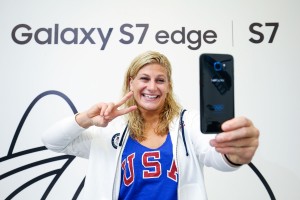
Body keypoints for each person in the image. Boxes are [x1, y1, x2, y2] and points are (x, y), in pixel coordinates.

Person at [42, 50, 259, 200]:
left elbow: (214, 155)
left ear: (168, 86)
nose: (152, 87)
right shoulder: (110, 129)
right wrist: (86, 119)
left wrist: (233, 154)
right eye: (144, 78)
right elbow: (52, 142)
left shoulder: (188, 123)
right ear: (131, 82)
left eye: (160, 80)